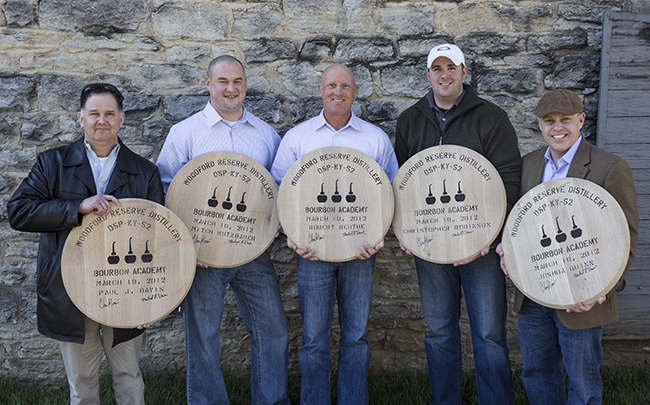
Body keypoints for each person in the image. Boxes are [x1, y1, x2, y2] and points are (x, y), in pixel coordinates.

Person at [7, 83, 164, 405]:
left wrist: (153, 300)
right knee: (81, 384)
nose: (101, 120)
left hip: (127, 291)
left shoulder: (145, 172)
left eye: (109, 114)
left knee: (129, 378)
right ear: (81, 118)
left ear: (122, 119)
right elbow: (19, 212)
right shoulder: (51, 164)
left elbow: (159, 240)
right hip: (70, 290)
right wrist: (76, 207)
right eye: (94, 114)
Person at [155, 55, 290, 405]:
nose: (231, 89)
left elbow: (278, 189)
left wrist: (274, 224)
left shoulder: (265, 134)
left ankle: (272, 401)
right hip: (203, 257)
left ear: (245, 84)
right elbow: (165, 190)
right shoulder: (184, 133)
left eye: (238, 81)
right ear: (208, 83)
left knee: (272, 330)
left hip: (251, 251)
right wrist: (185, 246)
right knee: (203, 336)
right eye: (223, 81)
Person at [394, 44, 521, 404]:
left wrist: (489, 236)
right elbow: (401, 183)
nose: (444, 74)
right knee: (439, 331)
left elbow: (509, 177)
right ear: (428, 75)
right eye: (437, 68)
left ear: (465, 72)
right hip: (430, 246)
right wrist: (405, 230)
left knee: (489, 334)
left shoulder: (491, 117)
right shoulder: (410, 120)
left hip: (480, 246)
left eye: (452, 66)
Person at [497, 89, 639, 405]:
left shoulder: (611, 167)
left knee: (583, 383)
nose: (557, 128)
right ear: (539, 124)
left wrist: (599, 289)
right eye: (549, 121)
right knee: (536, 372)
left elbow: (625, 237)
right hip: (534, 293)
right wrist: (506, 249)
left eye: (565, 120)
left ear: (581, 120)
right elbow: (519, 223)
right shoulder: (530, 164)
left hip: (583, 295)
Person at [271, 63, 398, 405]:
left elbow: (392, 193)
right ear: (320, 91)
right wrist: (293, 236)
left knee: (355, 337)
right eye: (331, 86)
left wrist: (380, 234)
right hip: (312, 254)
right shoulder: (298, 137)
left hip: (361, 252)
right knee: (313, 337)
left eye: (345, 86)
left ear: (355, 91)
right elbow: (280, 191)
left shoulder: (375, 138)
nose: (338, 92)